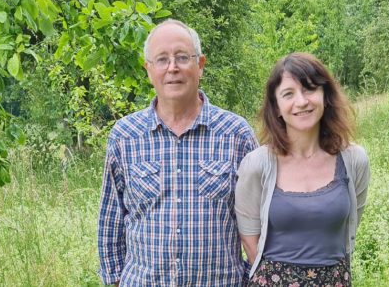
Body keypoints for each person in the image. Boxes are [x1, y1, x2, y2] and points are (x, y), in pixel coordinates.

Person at [98, 19, 258, 286]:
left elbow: (259, 222)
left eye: (182, 57)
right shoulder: (125, 136)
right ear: (148, 70)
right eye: (161, 59)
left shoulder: (236, 134)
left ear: (200, 65)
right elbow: (111, 223)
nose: (172, 67)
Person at [235, 52, 370, 286]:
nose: (301, 101)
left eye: (309, 89)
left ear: (325, 95)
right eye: (288, 94)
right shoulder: (257, 164)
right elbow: (250, 239)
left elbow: (350, 225)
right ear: (276, 107)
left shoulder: (353, 160)